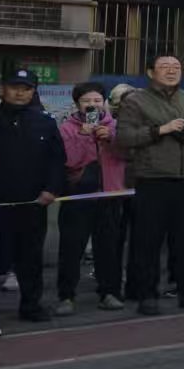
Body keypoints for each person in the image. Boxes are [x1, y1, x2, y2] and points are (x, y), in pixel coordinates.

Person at [116, 53, 184, 316]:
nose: (171, 71)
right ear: (151, 72)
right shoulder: (135, 101)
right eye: (164, 67)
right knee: (147, 242)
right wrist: (161, 129)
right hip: (153, 180)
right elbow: (124, 138)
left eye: (176, 67)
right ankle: (147, 295)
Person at [0, 70, 64, 323]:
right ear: (2, 89)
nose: (20, 93)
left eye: (26, 88)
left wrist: (51, 189)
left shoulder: (45, 122)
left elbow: (57, 161)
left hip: (32, 204)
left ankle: (31, 306)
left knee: (30, 259)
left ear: (33, 92)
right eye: (14, 87)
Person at [57, 81, 127, 313]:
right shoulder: (67, 128)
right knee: (71, 248)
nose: (92, 105)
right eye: (86, 101)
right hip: (77, 196)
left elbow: (127, 155)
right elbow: (69, 162)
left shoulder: (116, 126)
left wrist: (111, 139)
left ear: (104, 103)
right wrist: (83, 136)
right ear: (77, 104)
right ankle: (66, 296)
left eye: (97, 100)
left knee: (108, 247)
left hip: (110, 194)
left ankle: (109, 293)